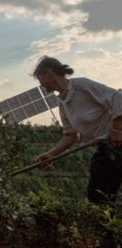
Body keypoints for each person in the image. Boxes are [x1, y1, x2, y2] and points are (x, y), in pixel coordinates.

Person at [34, 56, 122, 203]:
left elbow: (117, 97)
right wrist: (50, 154)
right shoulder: (62, 102)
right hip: (104, 149)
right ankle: (104, 225)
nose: (41, 85)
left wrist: (118, 130)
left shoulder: (82, 85)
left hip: (118, 143)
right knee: (97, 197)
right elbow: (71, 136)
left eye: (40, 78)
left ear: (49, 73)